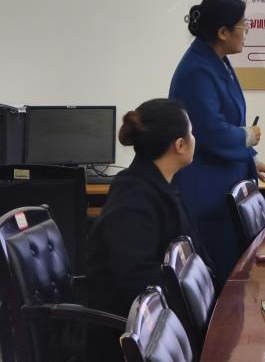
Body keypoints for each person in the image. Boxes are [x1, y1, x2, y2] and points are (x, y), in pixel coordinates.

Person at [169, 0, 265, 285]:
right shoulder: (197, 69)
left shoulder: (217, 61)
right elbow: (210, 131)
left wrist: (252, 161)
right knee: (224, 279)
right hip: (207, 192)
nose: (247, 32)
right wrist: (248, 136)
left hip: (225, 182)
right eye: (243, 25)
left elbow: (226, 120)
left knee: (236, 274)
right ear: (222, 32)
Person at [87, 98, 209, 360]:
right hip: (130, 335)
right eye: (191, 132)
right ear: (179, 145)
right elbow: (135, 277)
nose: (194, 138)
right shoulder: (134, 197)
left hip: (161, 325)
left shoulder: (158, 185)